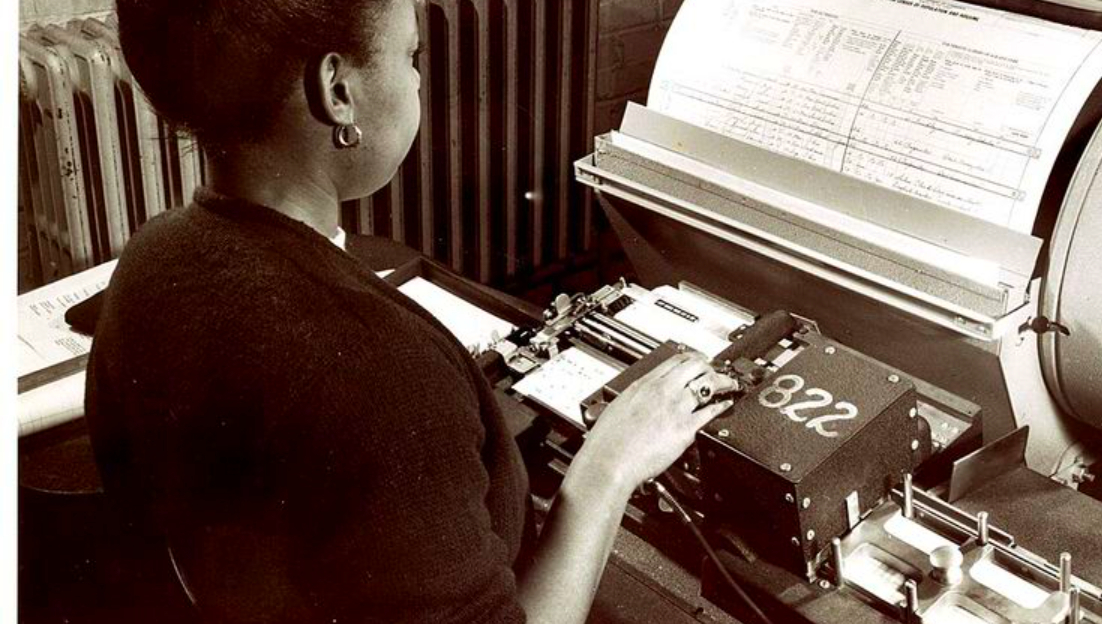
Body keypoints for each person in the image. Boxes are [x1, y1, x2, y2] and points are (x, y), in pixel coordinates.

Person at [85, 1, 737, 622]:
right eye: (410, 56)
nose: (419, 80)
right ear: (337, 91)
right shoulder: (383, 379)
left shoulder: (151, 259)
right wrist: (606, 469)